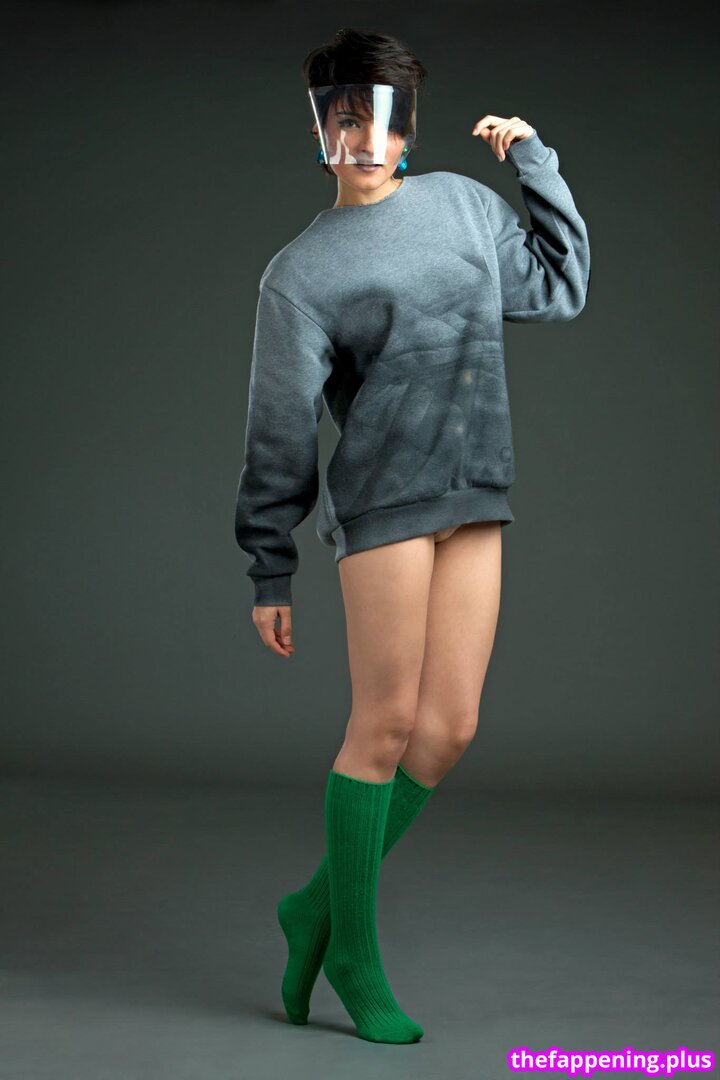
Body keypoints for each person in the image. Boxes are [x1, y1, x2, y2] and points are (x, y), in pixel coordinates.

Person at [234, 28, 591, 1044]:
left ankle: (312, 907)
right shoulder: (300, 274)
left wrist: (534, 163)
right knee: (385, 726)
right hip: (384, 506)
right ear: (321, 129)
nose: (365, 139)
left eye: (383, 120)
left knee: (449, 730)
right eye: (345, 119)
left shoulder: (463, 207)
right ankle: (352, 951)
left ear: (407, 131)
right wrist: (269, 567)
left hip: (474, 491)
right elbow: (278, 431)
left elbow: (559, 288)